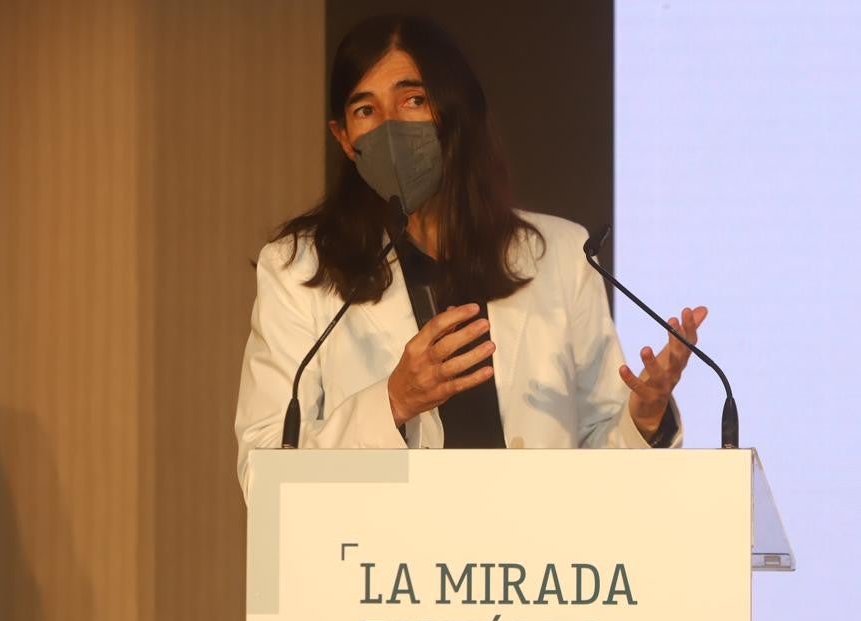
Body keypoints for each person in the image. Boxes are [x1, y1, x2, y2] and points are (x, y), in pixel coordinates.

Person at [233, 15, 708, 497]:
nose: (391, 125)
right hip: (378, 566)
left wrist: (643, 421)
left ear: (453, 112)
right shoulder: (299, 269)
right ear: (344, 139)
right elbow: (263, 469)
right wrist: (392, 402)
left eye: (413, 99)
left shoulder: (562, 255)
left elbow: (600, 464)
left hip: (536, 563)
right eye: (365, 110)